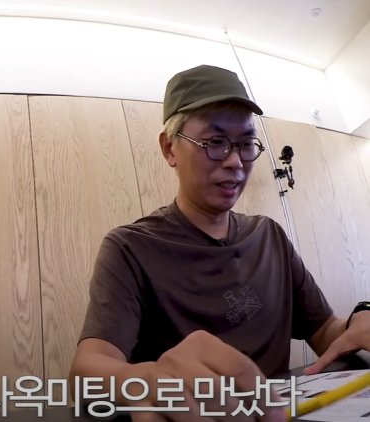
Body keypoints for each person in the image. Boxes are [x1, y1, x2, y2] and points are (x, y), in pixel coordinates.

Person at [69, 64, 370, 421]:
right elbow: (86, 373)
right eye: (215, 142)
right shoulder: (130, 248)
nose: (235, 162)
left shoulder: (270, 236)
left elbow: (326, 332)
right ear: (170, 149)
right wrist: (147, 380)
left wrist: (360, 321)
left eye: (246, 144)